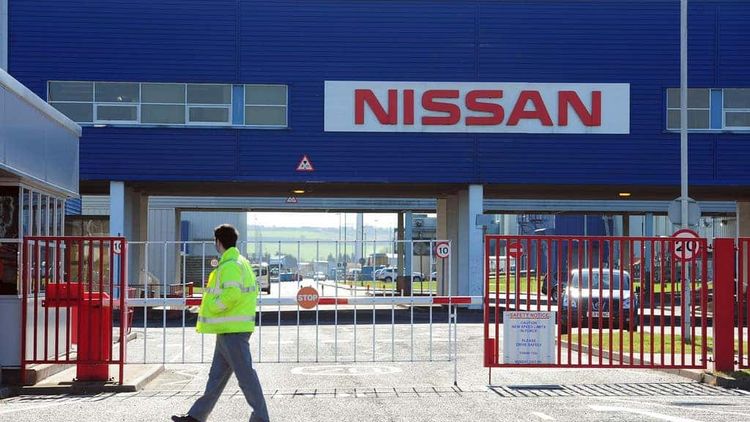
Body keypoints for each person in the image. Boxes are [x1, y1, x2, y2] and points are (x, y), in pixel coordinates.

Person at [172, 224, 270, 422]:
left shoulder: (230, 265)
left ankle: (261, 418)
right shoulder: (240, 262)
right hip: (229, 329)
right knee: (216, 377)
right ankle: (196, 416)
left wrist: (213, 306)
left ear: (218, 242)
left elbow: (232, 294)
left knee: (246, 377)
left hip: (232, 330)